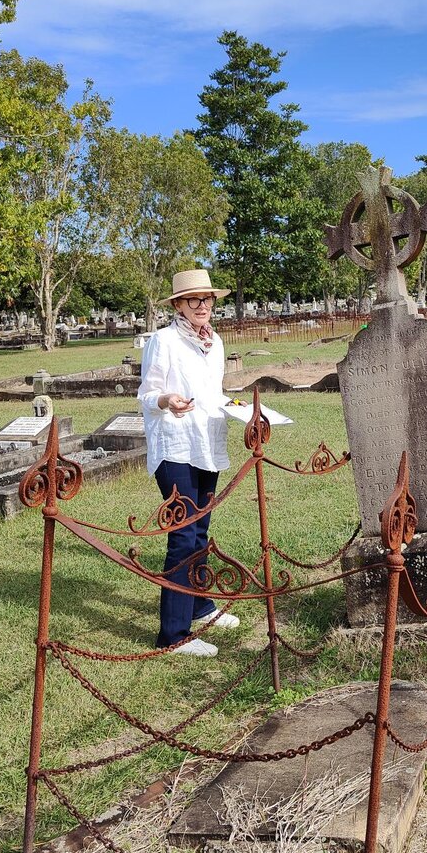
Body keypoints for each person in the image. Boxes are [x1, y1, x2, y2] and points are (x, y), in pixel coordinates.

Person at [137, 269, 241, 658]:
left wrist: (240, 409)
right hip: (175, 445)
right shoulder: (163, 341)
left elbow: (212, 392)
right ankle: (173, 635)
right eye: (193, 300)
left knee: (200, 531)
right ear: (179, 305)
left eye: (207, 298)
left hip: (206, 442)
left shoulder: (215, 342)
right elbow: (147, 394)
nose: (202, 306)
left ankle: (199, 606)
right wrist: (166, 400)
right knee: (182, 535)